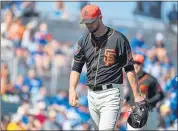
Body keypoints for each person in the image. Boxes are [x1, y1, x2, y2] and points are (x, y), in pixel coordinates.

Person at [69, 4, 144, 130]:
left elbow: (129, 69)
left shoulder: (118, 39)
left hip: (111, 94)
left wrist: (137, 95)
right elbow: (76, 67)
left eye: (91, 21)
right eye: (86, 22)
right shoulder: (84, 41)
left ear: (100, 17)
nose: (88, 25)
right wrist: (72, 89)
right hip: (92, 95)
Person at [127, 54, 165, 130]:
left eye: (138, 63)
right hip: (134, 112)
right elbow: (129, 95)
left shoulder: (151, 79)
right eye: (134, 63)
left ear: (143, 65)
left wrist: (148, 102)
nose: (135, 65)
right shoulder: (129, 79)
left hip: (149, 112)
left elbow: (160, 95)